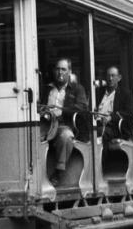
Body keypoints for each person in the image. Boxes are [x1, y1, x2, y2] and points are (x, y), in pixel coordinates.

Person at [41, 58, 88, 186]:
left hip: (63, 125)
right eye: (57, 69)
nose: (60, 72)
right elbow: (37, 105)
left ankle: (59, 172)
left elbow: (82, 108)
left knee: (66, 137)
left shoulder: (77, 89)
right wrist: (43, 110)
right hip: (45, 125)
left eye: (63, 69)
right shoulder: (47, 89)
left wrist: (61, 111)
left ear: (69, 72)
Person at [96, 66, 133, 152]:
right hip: (97, 123)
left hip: (114, 127)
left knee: (100, 132)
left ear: (119, 78)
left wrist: (111, 117)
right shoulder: (99, 92)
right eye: (108, 76)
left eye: (113, 75)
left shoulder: (125, 93)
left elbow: (129, 112)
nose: (110, 78)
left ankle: (101, 161)